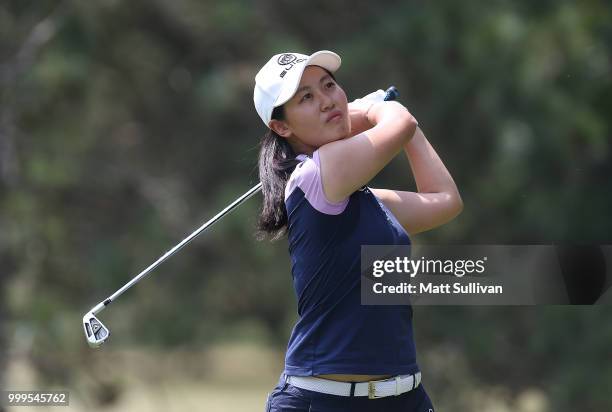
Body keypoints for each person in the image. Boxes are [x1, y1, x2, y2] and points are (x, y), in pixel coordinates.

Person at [254, 50, 462, 412]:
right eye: (306, 97)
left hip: (404, 397)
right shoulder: (314, 175)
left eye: (329, 86)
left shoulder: (364, 200)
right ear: (282, 127)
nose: (326, 100)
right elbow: (399, 126)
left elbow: (444, 200)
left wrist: (399, 122)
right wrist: (376, 111)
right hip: (322, 401)